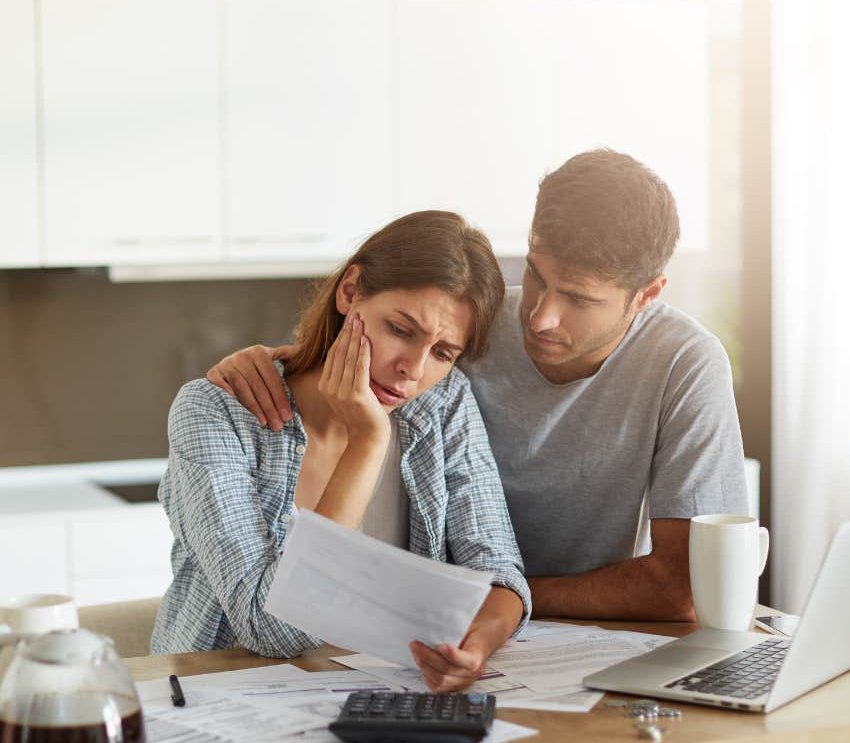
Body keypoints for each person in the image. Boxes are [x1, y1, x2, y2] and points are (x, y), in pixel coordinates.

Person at [208, 149, 749, 622]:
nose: (540, 318)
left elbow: (684, 589)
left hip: (515, 627)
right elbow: (365, 356)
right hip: (445, 628)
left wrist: (499, 598)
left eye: (579, 300)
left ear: (647, 294)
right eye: (536, 274)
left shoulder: (685, 363)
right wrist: (271, 361)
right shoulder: (472, 328)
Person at [151, 210, 531, 693]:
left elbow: (499, 571)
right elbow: (275, 631)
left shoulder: (443, 401)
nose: (411, 371)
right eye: (400, 329)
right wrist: (368, 442)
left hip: (379, 695)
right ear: (350, 291)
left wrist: (477, 645)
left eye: (442, 353)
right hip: (226, 700)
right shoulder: (216, 414)